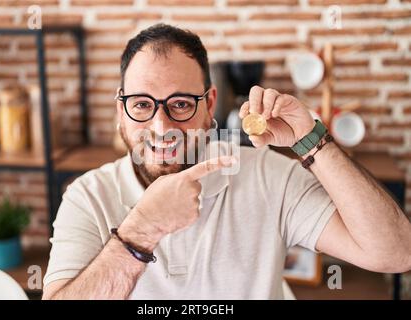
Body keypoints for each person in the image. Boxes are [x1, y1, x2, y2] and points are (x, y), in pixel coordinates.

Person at [42, 24, 411, 299]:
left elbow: (397, 254)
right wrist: (143, 228)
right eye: (141, 104)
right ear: (121, 109)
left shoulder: (267, 176)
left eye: (181, 104)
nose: (161, 126)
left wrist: (313, 141)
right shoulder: (87, 197)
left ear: (210, 104)